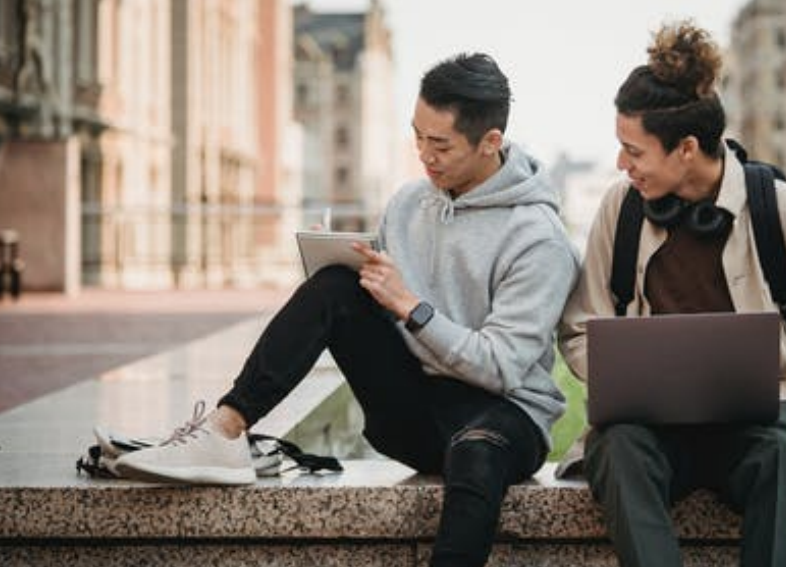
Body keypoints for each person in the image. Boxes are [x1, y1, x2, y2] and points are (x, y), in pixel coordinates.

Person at [115, 52, 580, 567]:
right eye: (418, 136)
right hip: (416, 411)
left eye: (440, 144)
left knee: (475, 451)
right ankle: (223, 431)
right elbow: (379, 311)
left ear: (491, 142)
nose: (424, 154)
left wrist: (410, 306)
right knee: (334, 286)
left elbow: (500, 367)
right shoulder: (408, 203)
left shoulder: (538, 238)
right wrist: (354, 273)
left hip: (504, 422)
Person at [556, 21, 786, 567]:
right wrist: (621, 378)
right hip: (652, 430)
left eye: (633, 151)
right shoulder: (619, 209)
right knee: (615, 446)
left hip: (763, 430)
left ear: (687, 149)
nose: (622, 165)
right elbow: (579, 327)